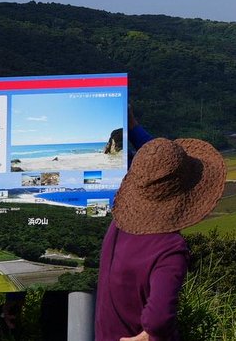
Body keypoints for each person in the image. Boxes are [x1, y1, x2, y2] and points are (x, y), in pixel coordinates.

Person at [95, 137, 226, 341]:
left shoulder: (119, 226)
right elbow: (158, 319)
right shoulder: (170, 248)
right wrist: (149, 335)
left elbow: (160, 167)